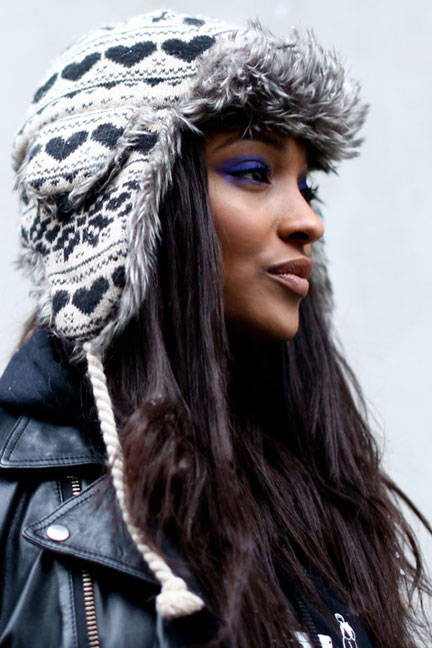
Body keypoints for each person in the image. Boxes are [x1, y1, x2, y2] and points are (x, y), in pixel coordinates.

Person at [0, 8, 430, 648]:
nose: (309, 221)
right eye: (254, 172)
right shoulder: (17, 501)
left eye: (307, 186)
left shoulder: (313, 489)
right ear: (124, 212)